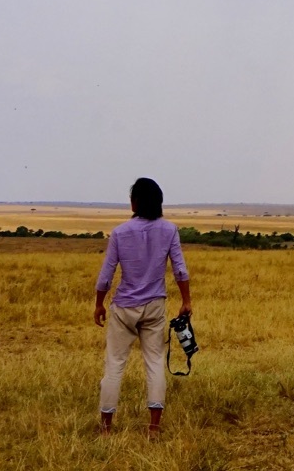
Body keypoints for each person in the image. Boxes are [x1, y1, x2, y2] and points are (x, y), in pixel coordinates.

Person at [94, 177, 191, 437]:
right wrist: (186, 301)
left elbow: (106, 274)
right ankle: (154, 427)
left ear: (135, 202)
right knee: (155, 362)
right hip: (154, 305)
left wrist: (99, 305)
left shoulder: (120, 232)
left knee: (114, 364)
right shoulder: (169, 230)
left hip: (124, 306)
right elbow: (180, 269)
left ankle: (106, 427)